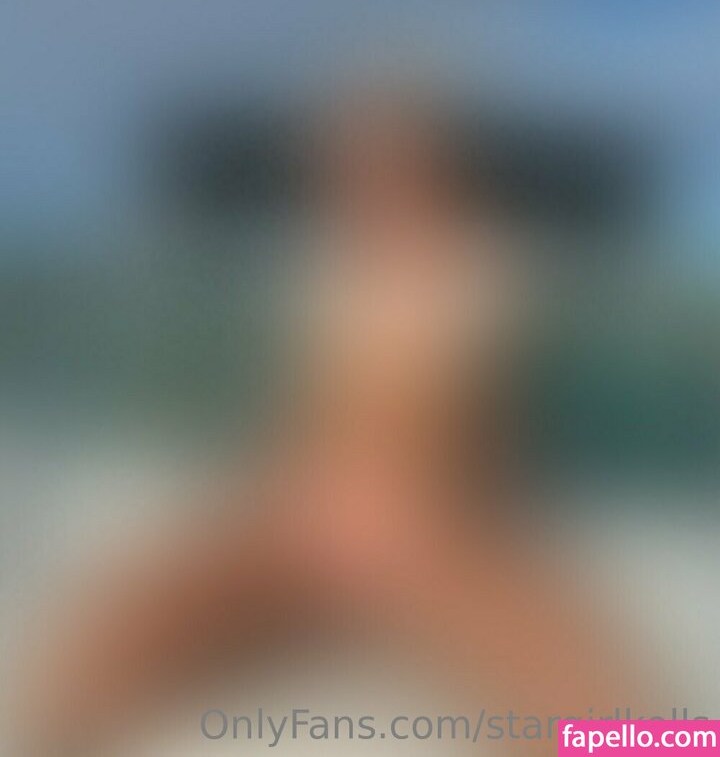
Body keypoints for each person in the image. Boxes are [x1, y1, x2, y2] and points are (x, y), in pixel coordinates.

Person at [17, 85, 653, 755]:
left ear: (439, 168)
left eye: (390, 159)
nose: (366, 179)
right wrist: (294, 511)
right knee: (120, 631)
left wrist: (404, 524)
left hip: (430, 523)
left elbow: (485, 441)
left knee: (590, 695)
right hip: (306, 513)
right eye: (354, 161)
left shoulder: (481, 278)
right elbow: (295, 425)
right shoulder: (329, 275)